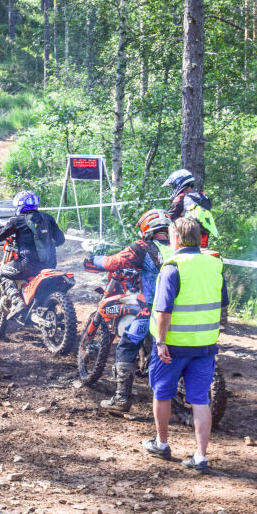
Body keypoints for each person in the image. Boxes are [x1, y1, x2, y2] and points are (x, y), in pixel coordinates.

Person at [142, 217, 228, 474]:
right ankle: (201, 457)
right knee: (200, 399)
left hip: (174, 344)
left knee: (162, 392)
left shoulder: (173, 267)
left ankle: (162, 443)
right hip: (205, 344)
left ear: (176, 239)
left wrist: (160, 341)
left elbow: (164, 310)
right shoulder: (215, 263)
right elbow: (222, 303)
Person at [83, 209, 173, 413]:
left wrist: (92, 260)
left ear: (146, 228)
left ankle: (121, 398)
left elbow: (112, 262)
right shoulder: (179, 247)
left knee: (126, 347)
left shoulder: (142, 247)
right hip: (181, 311)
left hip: (151, 310)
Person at [0, 191, 65, 321]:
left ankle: (16, 302)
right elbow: (60, 240)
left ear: (19, 205)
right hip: (50, 264)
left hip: (28, 264)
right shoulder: (48, 218)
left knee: (1, 273)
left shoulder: (17, 220)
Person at [162, 169, 217, 247]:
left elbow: (168, 221)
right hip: (202, 244)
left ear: (179, 183)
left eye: (173, 186)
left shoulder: (180, 199)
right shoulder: (203, 198)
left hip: (184, 244)